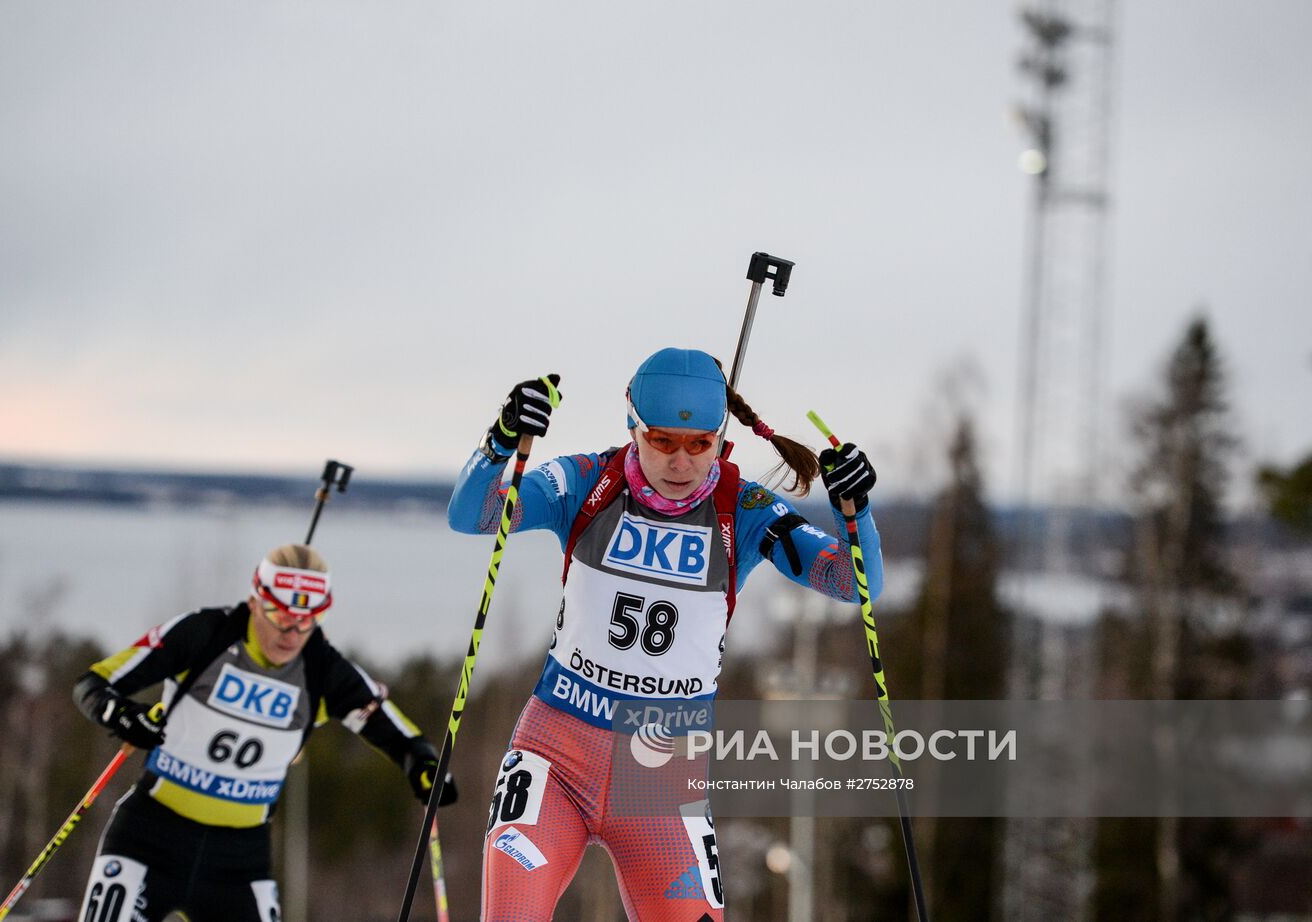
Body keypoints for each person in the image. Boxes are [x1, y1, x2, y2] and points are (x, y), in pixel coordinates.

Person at [448, 348, 884, 921]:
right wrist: (501, 441)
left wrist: (855, 511)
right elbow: (473, 514)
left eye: (700, 444)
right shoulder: (587, 482)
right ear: (633, 428)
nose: (681, 461)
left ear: (721, 439)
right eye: (662, 441)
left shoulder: (744, 508)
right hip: (557, 752)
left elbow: (855, 584)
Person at [71, 543, 457, 922]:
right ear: (256, 600)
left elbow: (401, 736)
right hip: (149, 837)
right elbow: (95, 683)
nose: (291, 632)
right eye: (279, 613)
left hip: (239, 862)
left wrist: (423, 765)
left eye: (308, 619)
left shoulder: (322, 670)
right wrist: (121, 715)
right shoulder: (206, 633)